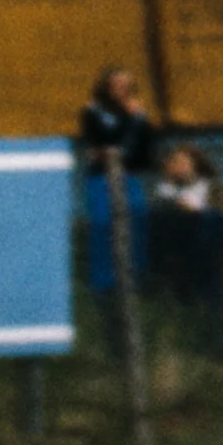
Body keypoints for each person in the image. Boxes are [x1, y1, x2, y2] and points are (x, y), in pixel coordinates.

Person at [75, 66, 159, 298]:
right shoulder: (94, 112)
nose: (122, 90)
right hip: (101, 177)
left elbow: (143, 149)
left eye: (126, 86)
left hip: (129, 175)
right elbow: (99, 146)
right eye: (116, 85)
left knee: (137, 217)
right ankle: (103, 284)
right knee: (103, 223)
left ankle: (136, 278)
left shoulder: (137, 114)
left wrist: (137, 120)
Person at [152, 140, 223, 342]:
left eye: (183, 162)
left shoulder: (210, 188)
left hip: (207, 257)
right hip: (179, 258)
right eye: (175, 162)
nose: (179, 167)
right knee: (183, 304)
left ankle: (212, 340)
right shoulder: (165, 192)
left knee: (210, 306)